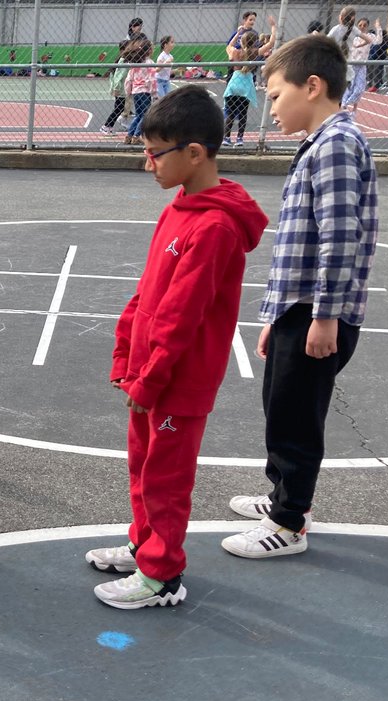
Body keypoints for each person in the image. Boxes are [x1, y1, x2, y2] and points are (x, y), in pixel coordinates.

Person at [87, 86, 268, 609]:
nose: (148, 164)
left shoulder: (214, 227)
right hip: (150, 375)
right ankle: (144, 546)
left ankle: (162, 575)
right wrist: (127, 354)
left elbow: (181, 316)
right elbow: (148, 293)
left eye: (155, 152)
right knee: (142, 467)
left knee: (165, 477)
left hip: (176, 383)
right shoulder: (181, 208)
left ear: (194, 153)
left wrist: (151, 377)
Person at [222, 35, 378, 560]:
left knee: (296, 417)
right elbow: (302, 243)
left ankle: (290, 523)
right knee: (280, 405)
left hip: (319, 311)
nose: (270, 104)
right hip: (300, 308)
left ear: (312, 87)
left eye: (274, 92)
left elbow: (339, 236)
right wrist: (278, 315)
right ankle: (282, 498)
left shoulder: (335, 144)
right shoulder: (322, 142)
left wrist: (324, 316)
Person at [223, 24, 276, 147]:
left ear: (242, 42)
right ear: (255, 42)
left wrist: (237, 33)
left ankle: (226, 137)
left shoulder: (236, 52)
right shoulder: (255, 52)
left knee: (231, 113)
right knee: (243, 113)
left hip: (235, 82)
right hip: (246, 84)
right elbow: (271, 43)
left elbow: (229, 45)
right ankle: (240, 139)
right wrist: (273, 27)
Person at [328, 8, 381, 113]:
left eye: (364, 25)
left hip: (351, 64)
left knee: (353, 89)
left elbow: (325, 41)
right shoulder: (354, 31)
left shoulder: (339, 29)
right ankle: (341, 107)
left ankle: (343, 105)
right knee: (344, 89)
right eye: (360, 25)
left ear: (341, 17)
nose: (362, 27)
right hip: (348, 64)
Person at [121, 35, 154, 145]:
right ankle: (136, 136)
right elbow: (151, 79)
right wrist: (154, 92)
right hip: (145, 92)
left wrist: (128, 91)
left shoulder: (136, 63)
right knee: (145, 115)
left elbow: (129, 79)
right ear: (149, 51)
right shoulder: (149, 63)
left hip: (135, 92)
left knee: (139, 115)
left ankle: (129, 135)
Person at [100, 40, 129, 134]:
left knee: (119, 108)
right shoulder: (123, 60)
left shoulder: (124, 60)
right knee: (118, 108)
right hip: (120, 89)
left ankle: (109, 126)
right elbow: (118, 76)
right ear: (123, 49)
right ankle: (106, 126)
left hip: (123, 89)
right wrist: (116, 88)